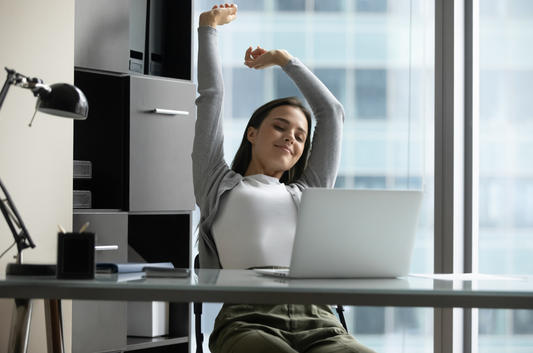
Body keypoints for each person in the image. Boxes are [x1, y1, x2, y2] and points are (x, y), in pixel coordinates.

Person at [193, 3, 377, 353]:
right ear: (252, 134)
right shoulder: (216, 182)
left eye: (300, 135)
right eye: (280, 126)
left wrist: (285, 61)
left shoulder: (307, 192)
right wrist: (208, 29)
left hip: (320, 320)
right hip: (247, 319)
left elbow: (332, 114)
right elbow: (211, 99)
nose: (290, 137)